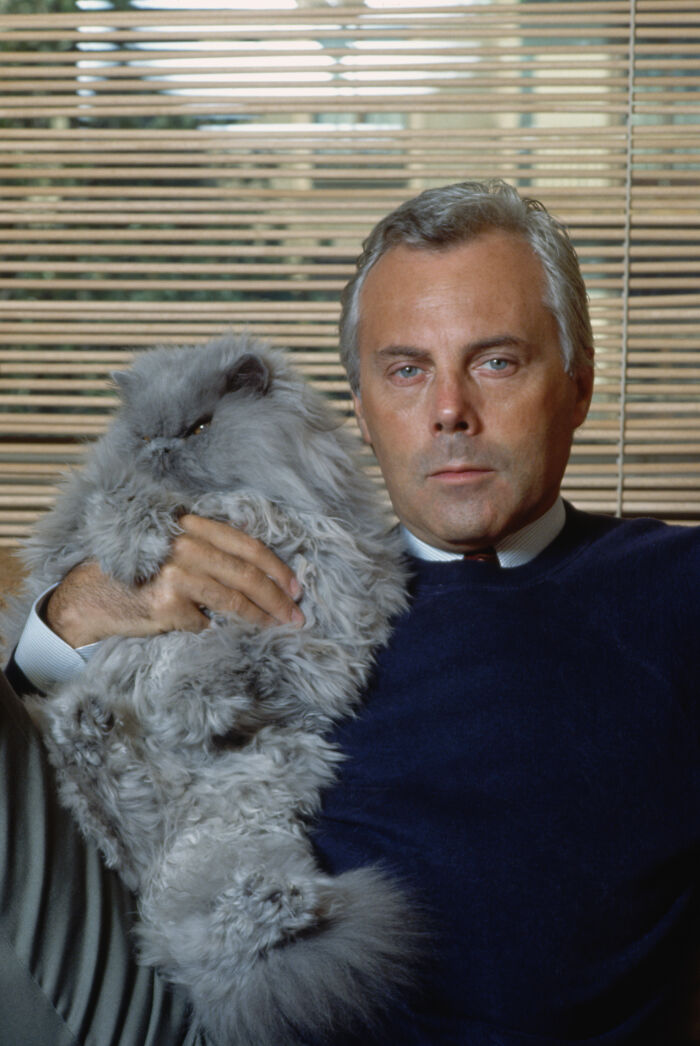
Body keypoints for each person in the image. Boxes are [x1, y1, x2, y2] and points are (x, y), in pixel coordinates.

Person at [6, 179, 700, 1044]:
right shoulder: (264, 568)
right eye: (406, 371)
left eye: (496, 361)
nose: (450, 410)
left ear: (579, 386)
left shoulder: (674, 586)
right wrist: (73, 613)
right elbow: (76, 776)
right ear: (364, 414)